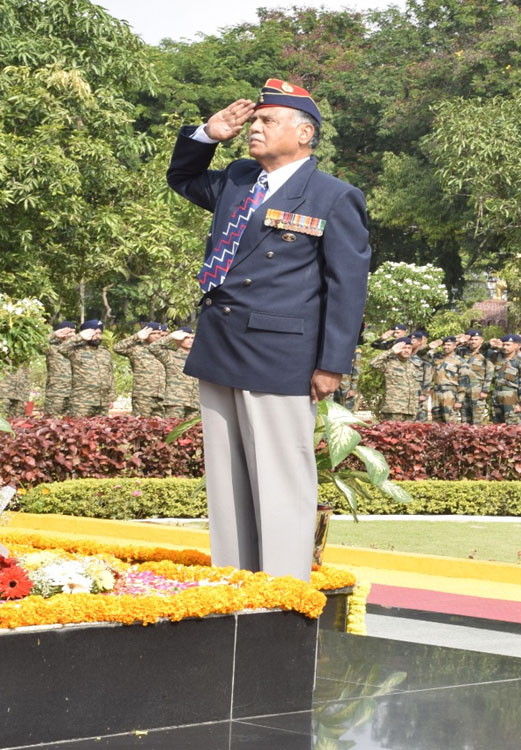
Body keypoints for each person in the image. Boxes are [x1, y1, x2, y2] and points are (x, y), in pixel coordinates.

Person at [166, 78, 370, 581]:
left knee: (282, 477)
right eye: (253, 120)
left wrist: (331, 364)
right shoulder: (237, 178)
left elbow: (347, 287)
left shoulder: (332, 196)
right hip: (221, 344)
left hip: (279, 355)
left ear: (305, 133)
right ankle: (233, 580)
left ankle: (282, 586)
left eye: (266, 121)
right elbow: (182, 177)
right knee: (226, 478)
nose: (254, 128)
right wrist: (208, 136)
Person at [113, 322, 168, 417]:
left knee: (160, 426)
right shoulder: (136, 348)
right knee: (141, 424)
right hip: (143, 394)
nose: (156, 336)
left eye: (158, 333)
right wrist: (136, 337)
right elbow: (117, 348)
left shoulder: (163, 350)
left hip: (161, 394)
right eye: (153, 333)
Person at [65, 320, 115, 417]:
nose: (97, 336)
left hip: (102, 402)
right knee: (79, 430)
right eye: (94, 333)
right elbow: (61, 348)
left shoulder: (105, 353)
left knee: (101, 430)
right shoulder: (75, 350)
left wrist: (111, 397)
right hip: (82, 402)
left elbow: (110, 375)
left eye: (100, 333)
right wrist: (79, 337)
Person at [369, 337, 422, 421]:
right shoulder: (389, 363)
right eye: (404, 348)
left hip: (410, 409)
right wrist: (391, 351)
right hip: (393, 409)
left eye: (409, 348)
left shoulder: (414, 365)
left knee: (409, 433)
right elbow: (373, 363)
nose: (407, 350)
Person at [488, 334, 521, 424]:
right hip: (497, 394)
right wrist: (491, 344)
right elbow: (483, 351)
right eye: (504, 345)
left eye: (508, 345)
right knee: (497, 425)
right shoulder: (498, 358)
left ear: (516, 346)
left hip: (511, 396)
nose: (505, 347)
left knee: (512, 425)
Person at [159, 327, 201, 419]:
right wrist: (170, 337)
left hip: (195, 403)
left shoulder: (198, 358)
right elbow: (153, 347)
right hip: (176, 402)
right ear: (178, 340)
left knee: (193, 432)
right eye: (186, 338)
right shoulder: (170, 355)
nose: (190, 340)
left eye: (192, 338)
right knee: (172, 430)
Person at [427, 335, 466, 423]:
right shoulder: (436, 358)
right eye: (444, 345)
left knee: (450, 421)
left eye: (448, 345)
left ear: (454, 346)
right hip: (436, 393)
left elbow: (463, 382)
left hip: (450, 394)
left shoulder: (460, 361)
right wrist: (433, 346)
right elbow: (423, 355)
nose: (446, 347)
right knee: (436, 422)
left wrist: (459, 400)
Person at [43, 321, 77, 416]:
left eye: (74, 332)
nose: (72, 334)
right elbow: (37, 344)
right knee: (50, 422)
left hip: (74, 393)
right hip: (56, 393)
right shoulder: (52, 348)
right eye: (69, 332)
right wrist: (54, 335)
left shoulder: (77, 349)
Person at [460, 329, 491, 425]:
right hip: (464, 390)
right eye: (471, 339)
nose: (473, 342)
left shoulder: (486, 353)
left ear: (481, 340)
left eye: (476, 339)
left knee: (477, 421)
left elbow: (489, 372)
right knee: (464, 419)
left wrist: (485, 390)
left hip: (477, 391)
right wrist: (460, 341)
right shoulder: (464, 352)